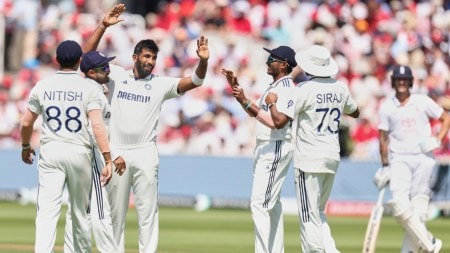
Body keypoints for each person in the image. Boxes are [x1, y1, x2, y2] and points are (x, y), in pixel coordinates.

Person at [83, 4, 210, 252]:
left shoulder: (161, 84)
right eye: (146, 56)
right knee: (115, 214)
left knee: (147, 212)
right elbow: (86, 58)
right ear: (135, 57)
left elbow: (196, 81)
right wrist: (103, 25)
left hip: (145, 152)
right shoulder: (116, 75)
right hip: (117, 150)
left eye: (153, 58)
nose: (150, 62)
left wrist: (203, 62)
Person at [20, 40, 113, 253]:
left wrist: (25, 146)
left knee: (47, 211)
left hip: (51, 151)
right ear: (80, 60)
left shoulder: (42, 86)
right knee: (79, 211)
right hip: (79, 152)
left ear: (57, 60)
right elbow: (97, 125)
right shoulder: (89, 87)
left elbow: (26, 122)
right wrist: (108, 159)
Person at [265, 45, 360, 252]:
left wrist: (272, 103)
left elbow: (280, 121)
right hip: (332, 157)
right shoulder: (340, 87)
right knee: (318, 213)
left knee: (308, 216)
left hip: (309, 158)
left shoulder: (305, 89)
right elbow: (355, 112)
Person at [221, 45, 297, 253]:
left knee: (259, 204)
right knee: (272, 205)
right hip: (266, 147)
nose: (268, 61)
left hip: (276, 146)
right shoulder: (274, 87)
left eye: (273, 58)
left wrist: (267, 104)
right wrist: (242, 98)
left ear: (284, 64)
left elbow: (278, 122)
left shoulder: (287, 88)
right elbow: (262, 117)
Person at [375, 65, 449, 253]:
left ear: (410, 82)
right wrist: (385, 166)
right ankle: (429, 243)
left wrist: (438, 140)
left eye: (405, 79)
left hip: (423, 158)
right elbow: (383, 138)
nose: (401, 82)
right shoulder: (387, 107)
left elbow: (445, 117)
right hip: (399, 158)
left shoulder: (422, 101)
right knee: (399, 204)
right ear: (393, 82)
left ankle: (411, 250)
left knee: (419, 208)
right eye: (398, 79)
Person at [64, 50, 124, 253]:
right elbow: (94, 128)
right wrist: (110, 157)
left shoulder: (86, 88)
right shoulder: (93, 92)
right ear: (90, 72)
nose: (108, 71)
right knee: (101, 211)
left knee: (77, 210)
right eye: (103, 68)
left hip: (76, 153)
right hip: (90, 155)